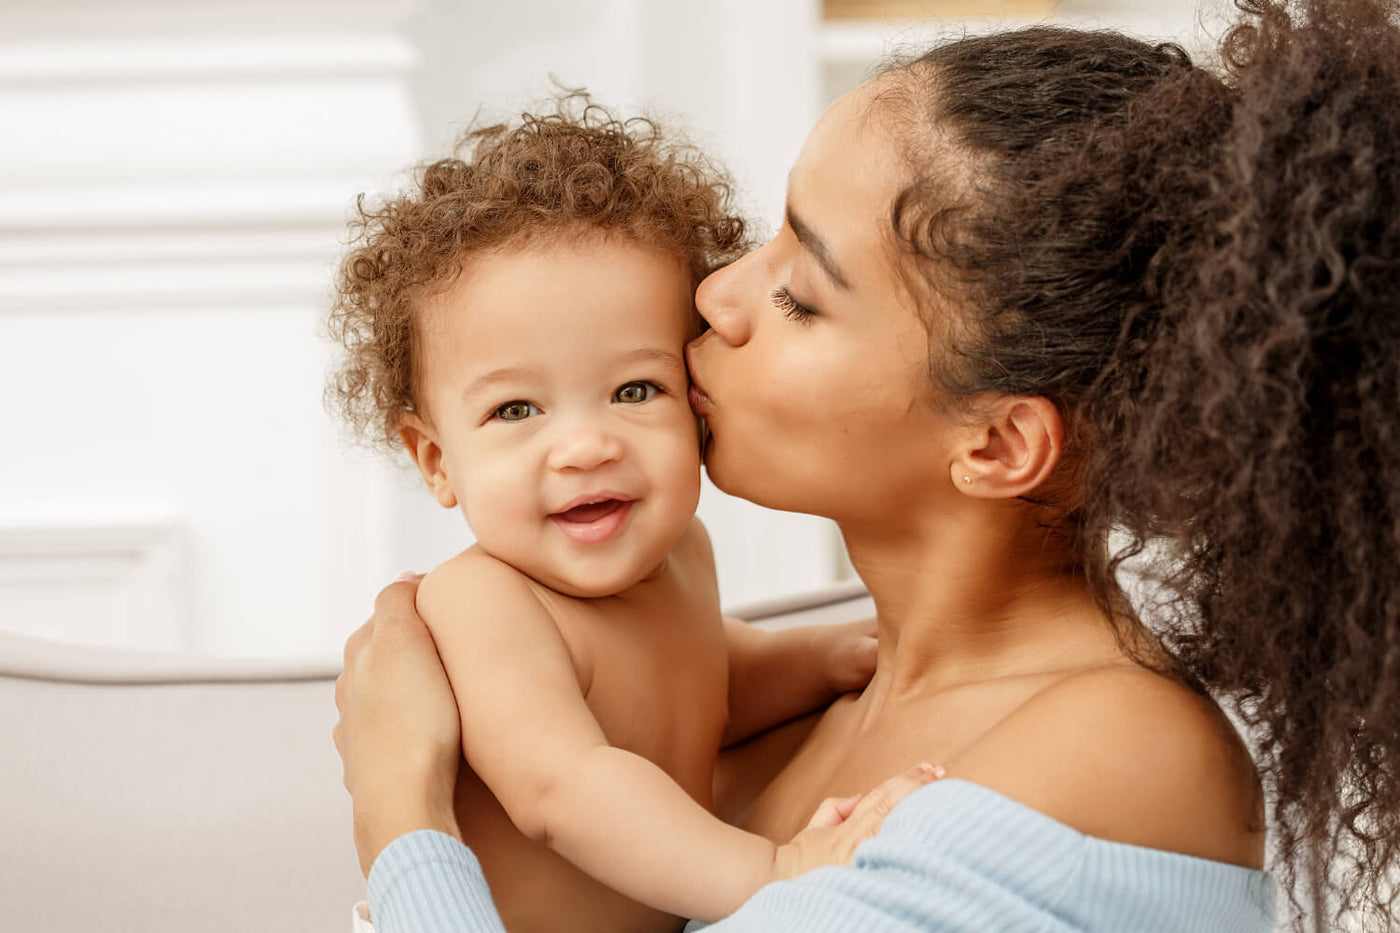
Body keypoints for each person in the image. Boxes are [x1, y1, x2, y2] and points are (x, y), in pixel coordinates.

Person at [334, 0, 1400, 930]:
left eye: (801, 294)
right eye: (767, 240)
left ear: (994, 443)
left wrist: (401, 816)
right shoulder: (825, 697)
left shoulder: (1114, 753)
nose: (712, 296)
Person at [324, 101, 914, 932]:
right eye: (517, 409)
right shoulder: (481, 605)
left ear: (696, 398)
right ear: (435, 459)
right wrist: (776, 870)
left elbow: (700, 678)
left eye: (635, 390)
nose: (584, 447)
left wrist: (817, 658)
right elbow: (565, 786)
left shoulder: (684, 553)